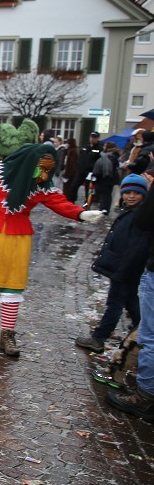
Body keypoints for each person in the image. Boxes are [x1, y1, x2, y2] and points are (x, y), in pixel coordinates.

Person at [0, 144, 103, 356]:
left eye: (48, 169)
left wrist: (80, 214)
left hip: (18, 237)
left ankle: (8, 334)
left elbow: (58, 202)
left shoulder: (40, 185)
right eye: (41, 167)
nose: (43, 173)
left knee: (12, 287)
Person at [76, 174, 150, 353]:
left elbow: (137, 247)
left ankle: (99, 338)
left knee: (115, 303)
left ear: (144, 195)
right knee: (131, 299)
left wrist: (123, 268)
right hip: (125, 267)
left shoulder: (139, 216)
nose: (131, 196)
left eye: (136, 193)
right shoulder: (131, 212)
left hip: (125, 268)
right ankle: (140, 329)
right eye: (127, 192)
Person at [105, 178, 154, 419]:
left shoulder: (138, 214)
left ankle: (144, 396)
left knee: (149, 335)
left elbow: (145, 223)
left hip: (141, 270)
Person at [91, 141, 120, 213]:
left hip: (106, 178)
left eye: (105, 146)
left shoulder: (110, 156)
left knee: (106, 195)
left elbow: (108, 169)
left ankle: (104, 210)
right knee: (105, 195)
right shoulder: (110, 156)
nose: (103, 147)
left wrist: (98, 174)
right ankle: (103, 209)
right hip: (106, 178)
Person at [76, 132, 102, 205]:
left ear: (97, 138)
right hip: (82, 169)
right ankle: (72, 199)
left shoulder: (99, 147)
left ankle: (89, 201)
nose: (92, 139)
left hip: (92, 171)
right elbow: (81, 155)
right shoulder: (85, 145)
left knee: (90, 187)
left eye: (94, 137)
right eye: (91, 137)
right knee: (76, 185)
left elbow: (98, 158)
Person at [62, 137, 82, 202]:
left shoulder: (72, 151)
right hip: (71, 174)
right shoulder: (72, 150)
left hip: (70, 174)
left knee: (68, 190)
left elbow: (71, 164)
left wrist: (67, 174)